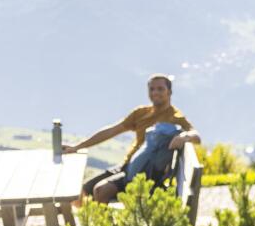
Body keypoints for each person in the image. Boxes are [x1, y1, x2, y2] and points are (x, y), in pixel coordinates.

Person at [62, 74, 201, 203]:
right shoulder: (140, 113)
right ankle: (93, 216)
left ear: (169, 92)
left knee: (101, 190)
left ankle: (103, 221)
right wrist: (78, 147)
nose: (155, 92)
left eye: (160, 89)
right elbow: (111, 131)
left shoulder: (175, 117)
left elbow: (196, 136)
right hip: (127, 165)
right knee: (79, 194)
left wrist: (184, 136)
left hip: (145, 174)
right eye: (152, 89)